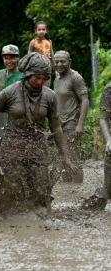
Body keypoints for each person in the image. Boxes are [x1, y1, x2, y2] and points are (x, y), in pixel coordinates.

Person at [0, 52, 77, 215]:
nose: (40, 82)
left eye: (44, 78)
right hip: (13, 145)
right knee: (15, 190)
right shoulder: (9, 93)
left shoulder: (49, 96)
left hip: (37, 146)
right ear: (27, 75)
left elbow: (56, 128)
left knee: (41, 192)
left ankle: (40, 224)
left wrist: (65, 157)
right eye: (36, 78)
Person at [53, 50, 88, 183]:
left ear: (69, 62)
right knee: (61, 157)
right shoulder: (57, 80)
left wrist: (80, 125)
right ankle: (68, 190)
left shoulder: (76, 78)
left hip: (71, 124)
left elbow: (85, 100)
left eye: (63, 61)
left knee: (73, 157)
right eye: (56, 62)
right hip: (59, 126)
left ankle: (77, 189)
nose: (59, 64)